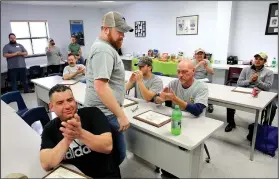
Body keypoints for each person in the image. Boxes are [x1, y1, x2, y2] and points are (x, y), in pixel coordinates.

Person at [84, 11, 133, 165]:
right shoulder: (104, 50)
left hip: (103, 111)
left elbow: (108, 84)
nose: (123, 35)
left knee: (111, 156)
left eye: (124, 32)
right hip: (104, 114)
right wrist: (120, 115)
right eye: (119, 31)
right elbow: (101, 87)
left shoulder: (103, 47)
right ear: (105, 29)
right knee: (116, 155)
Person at [40, 84, 120, 178]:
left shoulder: (93, 114)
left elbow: (107, 147)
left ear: (75, 101)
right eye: (60, 103)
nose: (67, 106)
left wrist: (81, 133)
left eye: (70, 100)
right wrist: (67, 139)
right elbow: (46, 164)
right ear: (51, 107)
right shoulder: (50, 129)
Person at [154, 60, 208, 177]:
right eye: (178, 72)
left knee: (184, 152)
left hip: (195, 123)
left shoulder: (201, 87)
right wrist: (160, 99)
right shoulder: (174, 83)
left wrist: (175, 99)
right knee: (163, 140)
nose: (180, 75)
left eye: (185, 72)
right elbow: (158, 99)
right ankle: (167, 168)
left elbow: (197, 110)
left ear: (193, 71)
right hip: (176, 120)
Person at [225, 52, 277, 132]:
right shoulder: (246, 69)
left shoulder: (268, 72)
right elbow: (239, 83)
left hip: (260, 93)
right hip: (245, 91)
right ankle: (231, 122)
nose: (258, 60)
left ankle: (266, 126)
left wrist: (257, 81)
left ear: (265, 61)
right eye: (256, 58)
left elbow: (267, 87)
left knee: (273, 106)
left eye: (261, 59)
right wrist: (249, 81)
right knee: (230, 100)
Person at [192, 48, 214, 113]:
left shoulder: (207, 61)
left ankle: (209, 103)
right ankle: (197, 104)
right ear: (195, 55)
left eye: (201, 54)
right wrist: (199, 64)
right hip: (194, 81)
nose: (200, 55)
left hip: (204, 81)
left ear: (203, 55)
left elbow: (212, 72)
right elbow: (191, 72)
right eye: (198, 54)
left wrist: (206, 66)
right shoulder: (192, 62)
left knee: (206, 89)